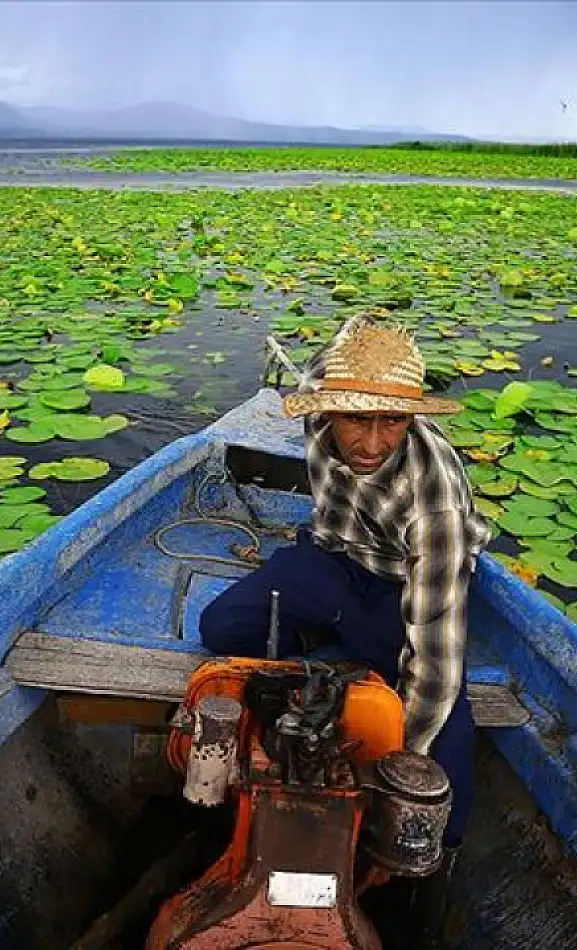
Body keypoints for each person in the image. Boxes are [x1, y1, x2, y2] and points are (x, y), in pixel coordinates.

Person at [198, 314, 491, 938]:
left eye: (394, 421)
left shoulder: (432, 496)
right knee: (222, 627)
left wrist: (399, 767)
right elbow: (315, 369)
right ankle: (329, 644)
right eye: (358, 418)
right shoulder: (316, 406)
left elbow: (436, 666)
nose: (374, 441)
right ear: (327, 410)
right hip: (334, 561)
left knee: (449, 744)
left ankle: (428, 873)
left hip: (403, 585)